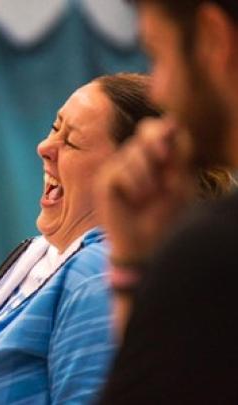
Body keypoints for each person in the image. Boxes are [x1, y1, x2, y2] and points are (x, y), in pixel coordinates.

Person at [0, 73, 167, 405]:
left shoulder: (96, 272)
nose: (44, 147)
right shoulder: (36, 257)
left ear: (125, 169)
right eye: (56, 128)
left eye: (71, 141)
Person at [95, 0, 238, 403]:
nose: (157, 90)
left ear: (213, 38)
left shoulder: (213, 252)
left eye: (158, 54)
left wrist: (131, 267)